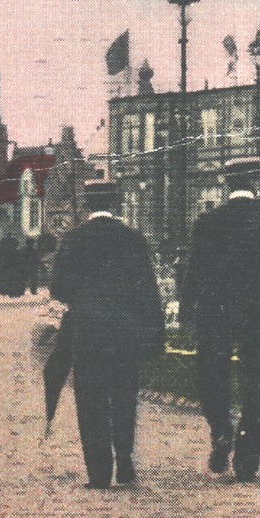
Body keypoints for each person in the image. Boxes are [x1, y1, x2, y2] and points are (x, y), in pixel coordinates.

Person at [180, 156, 260, 482]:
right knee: (254, 384)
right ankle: (246, 460)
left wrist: (187, 314)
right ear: (257, 183)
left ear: (226, 184)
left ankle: (220, 429)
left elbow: (194, 275)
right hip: (259, 319)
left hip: (215, 315)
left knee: (211, 375)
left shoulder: (207, 223)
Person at [48, 179, 165, 488]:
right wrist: (154, 332)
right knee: (125, 396)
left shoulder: (73, 240)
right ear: (116, 204)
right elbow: (148, 292)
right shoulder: (133, 240)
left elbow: (59, 289)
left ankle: (99, 472)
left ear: (87, 204)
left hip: (88, 333)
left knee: (91, 400)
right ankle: (125, 460)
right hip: (126, 332)